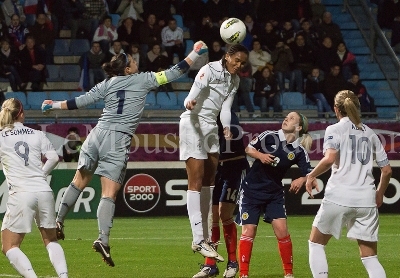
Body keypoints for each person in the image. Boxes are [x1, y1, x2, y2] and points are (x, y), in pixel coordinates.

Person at [41, 40, 209, 267]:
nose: (135, 61)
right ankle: (103, 239)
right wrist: (195, 54)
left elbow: (79, 101)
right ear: (127, 69)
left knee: (79, 181)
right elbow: (174, 72)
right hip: (117, 139)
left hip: (96, 134)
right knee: (108, 193)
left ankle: (58, 220)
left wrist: (54, 104)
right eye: (132, 61)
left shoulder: (107, 83)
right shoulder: (143, 79)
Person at [306, 90, 392, 278]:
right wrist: (379, 193)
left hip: (339, 196)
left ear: (336, 109)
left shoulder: (335, 129)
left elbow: (329, 159)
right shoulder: (371, 134)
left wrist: (311, 175)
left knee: (316, 244)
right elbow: (387, 171)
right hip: (366, 200)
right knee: (370, 258)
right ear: (357, 107)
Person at [179, 43, 249, 263]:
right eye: (237, 60)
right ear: (227, 56)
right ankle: (198, 238)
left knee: (210, 179)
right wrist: (189, 103)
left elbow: (225, 108)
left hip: (210, 125)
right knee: (197, 179)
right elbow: (191, 95)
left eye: (243, 62)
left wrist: (226, 126)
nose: (239, 65)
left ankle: (206, 237)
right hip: (192, 121)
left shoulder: (234, 80)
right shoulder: (209, 69)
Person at [236, 111, 313, 278]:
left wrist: (302, 179)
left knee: (282, 231)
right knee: (249, 231)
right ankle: (243, 274)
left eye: (292, 118)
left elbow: (310, 172)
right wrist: (261, 155)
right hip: (251, 190)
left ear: (299, 127)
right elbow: (248, 149)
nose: (286, 119)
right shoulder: (269, 136)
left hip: (274, 194)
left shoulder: (298, 151)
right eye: (286, 116)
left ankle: (288, 274)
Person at [0, 98, 68, 278]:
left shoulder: (1, 136)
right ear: (21, 113)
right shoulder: (37, 133)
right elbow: (53, 158)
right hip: (43, 190)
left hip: (22, 192)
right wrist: (42, 174)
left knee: (9, 246)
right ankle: (64, 276)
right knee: (51, 240)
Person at [193, 111, 249, 278]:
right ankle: (210, 264)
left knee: (224, 214)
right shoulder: (207, 114)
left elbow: (234, 133)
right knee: (212, 217)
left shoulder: (227, 113)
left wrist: (227, 129)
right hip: (216, 169)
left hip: (233, 166)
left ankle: (233, 262)